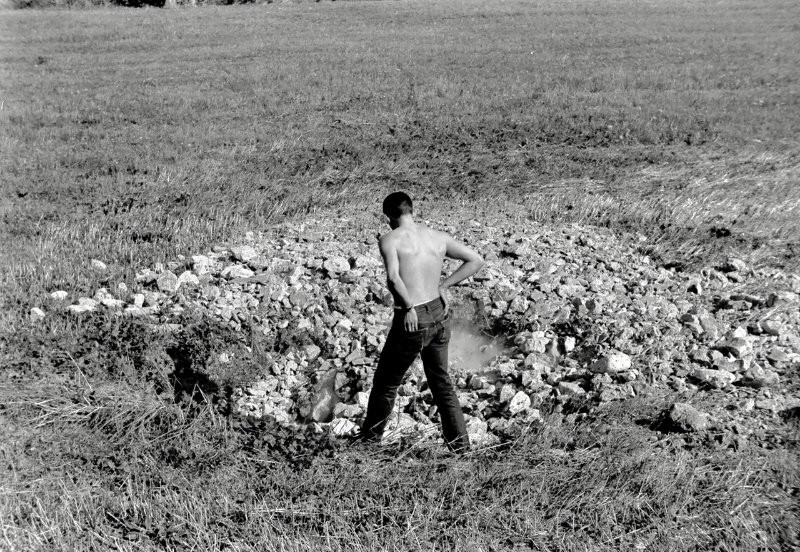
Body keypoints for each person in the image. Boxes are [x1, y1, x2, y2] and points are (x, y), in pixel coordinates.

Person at [361, 192, 485, 452]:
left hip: (413, 317)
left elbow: (393, 278)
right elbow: (476, 260)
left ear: (388, 217)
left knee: (386, 384)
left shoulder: (390, 239)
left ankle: (368, 446)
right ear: (412, 210)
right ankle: (461, 449)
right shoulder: (437, 237)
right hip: (439, 313)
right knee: (442, 384)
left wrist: (407, 307)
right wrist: (445, 285)